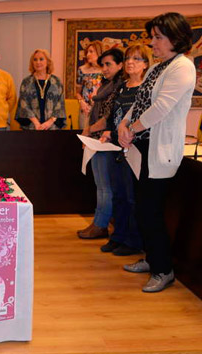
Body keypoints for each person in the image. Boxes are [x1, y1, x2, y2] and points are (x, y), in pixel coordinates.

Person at [119, 12, 196, 292]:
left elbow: (161, 108)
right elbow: (139, 101)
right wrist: (124, 125)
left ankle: (164, 270)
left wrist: (133, 128)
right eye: (153, 37)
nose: (153, 43)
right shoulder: (156, 68)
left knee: (151, 212)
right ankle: (152, 259)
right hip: (142, 148)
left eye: (158, 37)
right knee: (143, 209)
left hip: (159, 150)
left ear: (175, 38)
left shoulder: (183, 67)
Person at [98, 44, 153, 256]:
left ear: (146, 64)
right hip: (116, 148)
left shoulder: (146, 88)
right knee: (118, 195)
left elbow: (144, 120)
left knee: (132, 198)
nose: (131, 62)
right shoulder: (121, 86)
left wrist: (128, 135)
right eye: (129, 58)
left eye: (137, 59)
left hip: (135, 147)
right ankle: (118, 236)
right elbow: (114, 116)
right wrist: (109, 132)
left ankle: (133, 241)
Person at [77, 48, 124, 239]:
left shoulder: (119, 86)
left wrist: (88, 131)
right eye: (102, 64)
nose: (104, 68)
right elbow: (96, 110)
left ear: (120, 65)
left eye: (108, 64)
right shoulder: (106, 84)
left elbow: (107, 118)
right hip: (96, 139)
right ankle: (98, 221)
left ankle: (101, 224)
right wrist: (88, 133)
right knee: (99, 184)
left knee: (105, 186)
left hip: (106, 140)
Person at [15, 49, 66, 130]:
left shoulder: (57, 82)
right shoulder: (26, 82)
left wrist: (49, 122)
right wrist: (36, 123)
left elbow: (60, 104)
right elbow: (23, 103)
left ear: (48, 62)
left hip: (52, 126)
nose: (38, 62)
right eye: (35, 60)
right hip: (32, 126)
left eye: (41, 59)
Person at [75, 41, 103, 129]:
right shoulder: (82, 70)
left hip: (101, 110)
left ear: (99, 52)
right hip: (85, 110)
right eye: (87, 52)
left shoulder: (106, 70)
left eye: (91, 52)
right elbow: (77, 92)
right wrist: (81, 102)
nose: (87, 55)